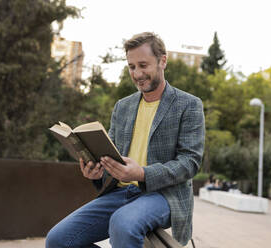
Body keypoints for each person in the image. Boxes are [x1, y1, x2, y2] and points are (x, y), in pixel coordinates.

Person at [45, 32, 205, 248]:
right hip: (120, 191)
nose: (137, 73)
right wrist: (96, 172)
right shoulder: (123, 107)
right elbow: (110, 152)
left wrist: (142, 173)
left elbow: (190, 163)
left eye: (143, 65)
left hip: (164, 195)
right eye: (131, 67)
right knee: (58, 240)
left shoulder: (189, 105)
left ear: (162, 61)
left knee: (123, 224)